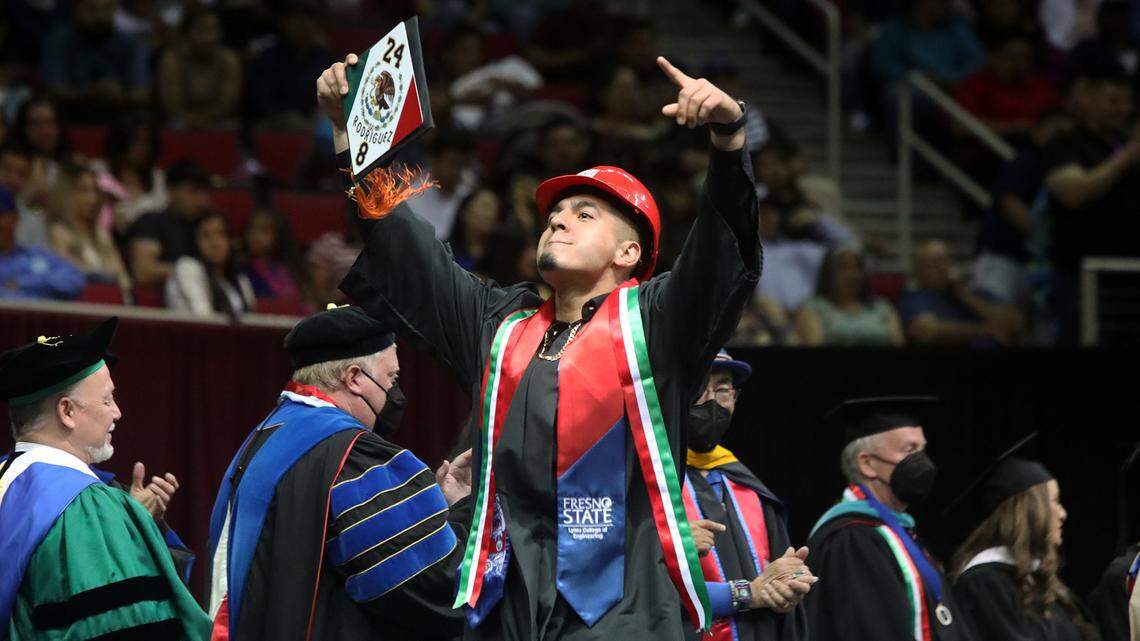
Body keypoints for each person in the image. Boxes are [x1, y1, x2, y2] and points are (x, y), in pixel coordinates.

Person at [323, 50, 762, 639]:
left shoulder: (658, 323)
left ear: (628, 255)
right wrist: (355, 137)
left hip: (625, 612)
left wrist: (729, 142)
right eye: (555, 212)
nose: (557, 220)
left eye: (584, 214)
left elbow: (720, 254)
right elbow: (408, 249)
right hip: (510, 605)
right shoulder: (499, 327)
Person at [206, 305, 473, 640]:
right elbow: (432, 585)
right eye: (391, 378)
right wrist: (463, 513)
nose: (395, 393)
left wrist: (438, 506)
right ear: (355, 378)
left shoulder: (264, 436)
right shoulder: (351, 454)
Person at [0, 317, 211, 639]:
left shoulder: (11, 482)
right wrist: (115, 525)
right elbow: (120, 626)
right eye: (107, 399)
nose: (117, 412)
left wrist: (132, 523)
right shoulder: (87, 509)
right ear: (67, 412)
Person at [806, 396, 976, 641]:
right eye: (910, 450)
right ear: (867, 464)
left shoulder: (900, 530)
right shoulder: (851, 539)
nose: (923, 462)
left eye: (923, 450)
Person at [683, 350, 813, 640]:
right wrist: (667, 548)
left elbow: (773, 589)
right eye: (698, 388)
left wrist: (787, 586)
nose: (711, 401)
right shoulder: (645, 483)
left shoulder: (749, 487)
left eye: (723, 390)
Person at [949, 435, 1099, 641]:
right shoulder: (985, 584)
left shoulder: (1038, 581)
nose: (1062, 514)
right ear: (1027, 511)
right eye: (1054, 501)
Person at [1041, 70, 1140, 345]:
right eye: (1113, 101)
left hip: (1130, 275)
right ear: (1089, 101)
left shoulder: (1123, 147)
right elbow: (1074, 194)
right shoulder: (1065, 145)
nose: (1122, 109)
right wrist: (1128, 156)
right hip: (1082, 279)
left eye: (1127, 102)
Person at [899, 240, 1026, 346]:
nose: (942, 268)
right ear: (918, 273)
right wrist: (985, 330)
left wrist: (965, 296)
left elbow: (1016, 323)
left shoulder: (971, 294)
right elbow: (927, 332)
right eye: (934, 264)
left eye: (945, 261)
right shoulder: (914, 299)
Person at [40, 0, 150, 123]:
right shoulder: (59, 41)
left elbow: (141, 94)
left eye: (107, 8)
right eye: (92, 9)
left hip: (120, 120)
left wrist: (120, 94)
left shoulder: (130, 43)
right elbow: (53, 91)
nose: (100, 16)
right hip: (70, 119)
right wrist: (91, 93)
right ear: (76, 9)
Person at [794, 246, 904, 346]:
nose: (853, 274)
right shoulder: (813, 308)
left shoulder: (882, 307)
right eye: (843, 268)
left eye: (858, 267)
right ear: (828, 273)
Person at [127, 160, 212, 289]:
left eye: (205, 192)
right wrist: (191, 272)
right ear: (171, 191)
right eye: (193, 191)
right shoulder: (151, 222)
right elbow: (143, 272)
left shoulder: (208, 225)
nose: (201, 200)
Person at [48, 163, 131, 288]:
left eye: (95, 191)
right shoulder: (59, 232)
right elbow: (66, 278)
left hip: (109, 301)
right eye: (83, 190)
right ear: (66, 194)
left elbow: (124, 280)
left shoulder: (102, 234)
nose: (93, 199)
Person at [156, 8, 241, 129]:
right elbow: (171, 103)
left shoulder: (229, 59)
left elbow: (229, 102)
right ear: (186, 34)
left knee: (230, 126)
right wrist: (190, 119)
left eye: (213, 30)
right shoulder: (172, 59)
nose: (208, 37)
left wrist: (208, 118)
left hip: (219, 120)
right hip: (181, 120)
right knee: (175, 125)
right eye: (201, 30)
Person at [0, 186, 85, 300]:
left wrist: (24, 283)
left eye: (1, 215)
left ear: (15, 219)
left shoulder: (34, 256)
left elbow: (74, 280)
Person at [165, 212, 253, 316]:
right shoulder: (187, 268)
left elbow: (250, 320)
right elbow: (203, 318)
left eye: (221, 234)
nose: (215, 243)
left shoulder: (240, 280)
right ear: (194, 242)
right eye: (206, 236)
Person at [241, 207, 312, 310]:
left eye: (264, 230)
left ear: (278, 234)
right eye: (251, 229)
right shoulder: (242, 269)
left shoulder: (291, 268)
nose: (255, 236)